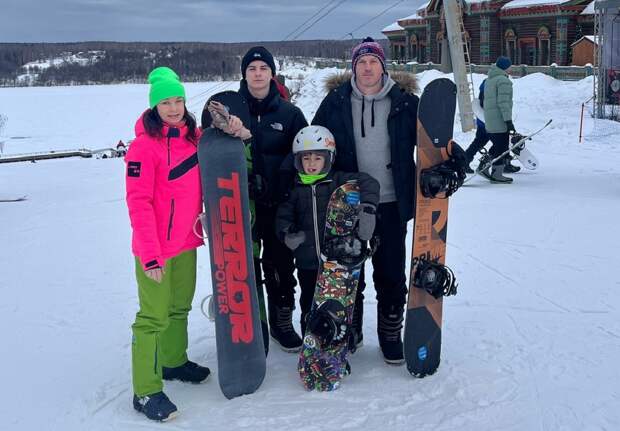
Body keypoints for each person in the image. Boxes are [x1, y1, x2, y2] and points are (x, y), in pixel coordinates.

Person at [312, 37, 419, 364]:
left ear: (383, 66)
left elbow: (436, 141)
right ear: (353, 67)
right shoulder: (335, 102)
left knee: (390, 274)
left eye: (373, 62)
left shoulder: (405, 103)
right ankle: (350, 330)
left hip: (391, 202)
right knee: (348, 273)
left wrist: (453, 162)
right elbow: (315, 143)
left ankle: (389, 335)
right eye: (361, 62)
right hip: (348, 203)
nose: (367, 68)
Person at [125, 66, 209, 422]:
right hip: (156, 249)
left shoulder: (194, 137)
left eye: (178, 100)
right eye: (166, 102)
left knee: (179, 307)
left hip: (186, 242)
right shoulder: (143, 147)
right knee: (153, 318)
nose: (174, 108)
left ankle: (174, 362)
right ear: (154, 106)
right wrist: (149, 255)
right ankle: (145, 390)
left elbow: (220, 145)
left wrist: (234, 127)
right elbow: (138, 203)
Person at [274, 125, 380, 337]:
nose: (311, 164)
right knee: (309, 303)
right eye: (306, 159)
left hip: (337, 264)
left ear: (329, 158)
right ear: (298, 161)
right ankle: (311, 342)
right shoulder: (295, 189)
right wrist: (287, 233)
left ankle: (346, 340)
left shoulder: (340, 182)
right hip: (307, 262)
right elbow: (283, 217)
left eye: (317, 158)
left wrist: (367, 209)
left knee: (340, 304)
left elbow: (369, 182)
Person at [237, 46, 308, 352]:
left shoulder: (289, 113)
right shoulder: (231, 109)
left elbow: (303, 153)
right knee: (246, 266)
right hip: (245, 204)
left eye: (263, 69)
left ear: (272, 74)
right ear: (244, 74)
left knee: (280, 265)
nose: (257, 74)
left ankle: (281, 321)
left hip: (280, 202)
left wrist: (278, 180)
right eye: (252, 69)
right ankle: (253, 323)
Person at [464, 79, 520, 175]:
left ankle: (464, 163)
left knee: (479, 142)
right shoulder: (495, 85)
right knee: (502, 142)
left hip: (483, 120)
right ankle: (499, 163)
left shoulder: (486, 84)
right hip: (490, 121)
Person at [480, 56, 517, 183]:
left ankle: (483, 166)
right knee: (501, 147)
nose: (511, 68)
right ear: (505, 67)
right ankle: (497, 174)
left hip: (490, 118)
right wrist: (508, 121)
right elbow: (503, 103)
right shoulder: (503, 81)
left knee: (497, 145)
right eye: (510, 66)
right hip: (500, 119)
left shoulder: (489, 80)